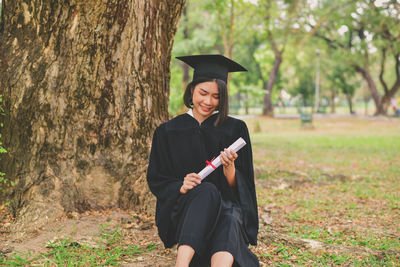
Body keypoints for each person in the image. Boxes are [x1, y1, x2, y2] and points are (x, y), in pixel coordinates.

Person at [147, 54, 259, 267]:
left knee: (229, 214)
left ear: (223, 98)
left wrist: (229, 168)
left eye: (216, 96)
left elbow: (243, 188)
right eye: (203, 93)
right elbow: (156, 178)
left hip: (227, 207)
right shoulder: (167, 131)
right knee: (206, 191)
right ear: (192, 90)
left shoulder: (236, 129)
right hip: (186, 210)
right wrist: (180, 186)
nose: (208, 102)